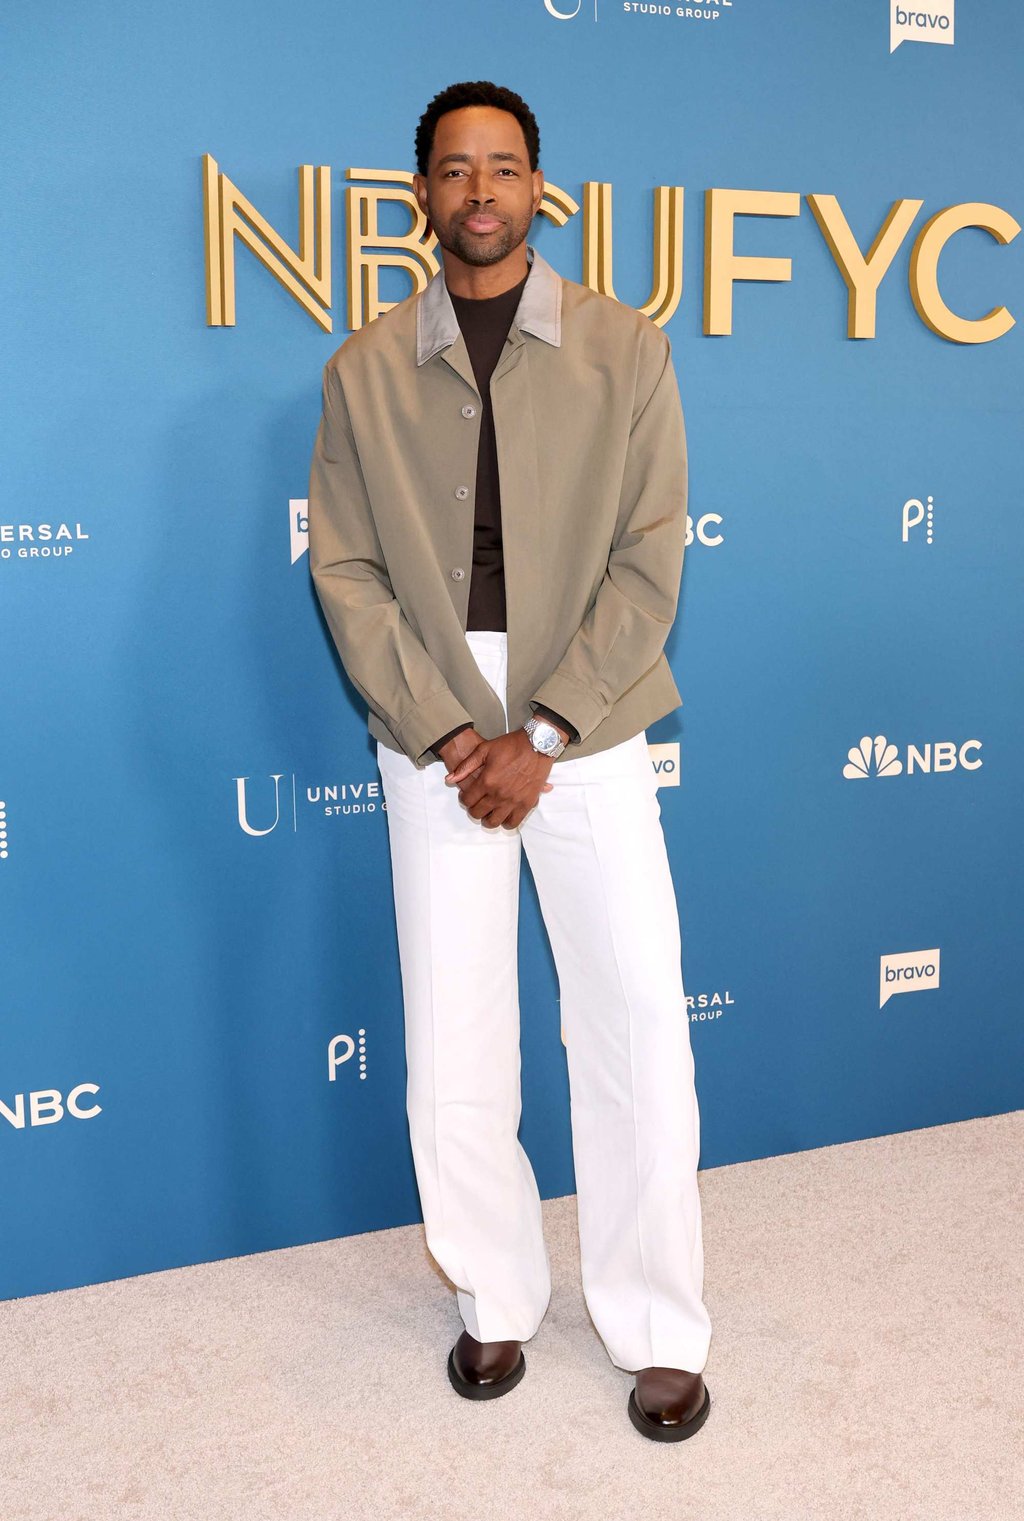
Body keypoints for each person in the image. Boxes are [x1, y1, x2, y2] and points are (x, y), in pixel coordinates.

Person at [307, 79, 712, 1442]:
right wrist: (447, 729)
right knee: (456, 1037)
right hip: (432, 738)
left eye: (506, 167)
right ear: (419, 192)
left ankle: (657, 1323)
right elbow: (348, 571)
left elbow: (651, 556)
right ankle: (494, 1293)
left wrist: (543, 733)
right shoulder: (362, 370)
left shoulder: (623, 347)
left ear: (541, 188)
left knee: (637, 1024)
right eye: (455, 169)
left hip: (584, 731)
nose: (481, 191)